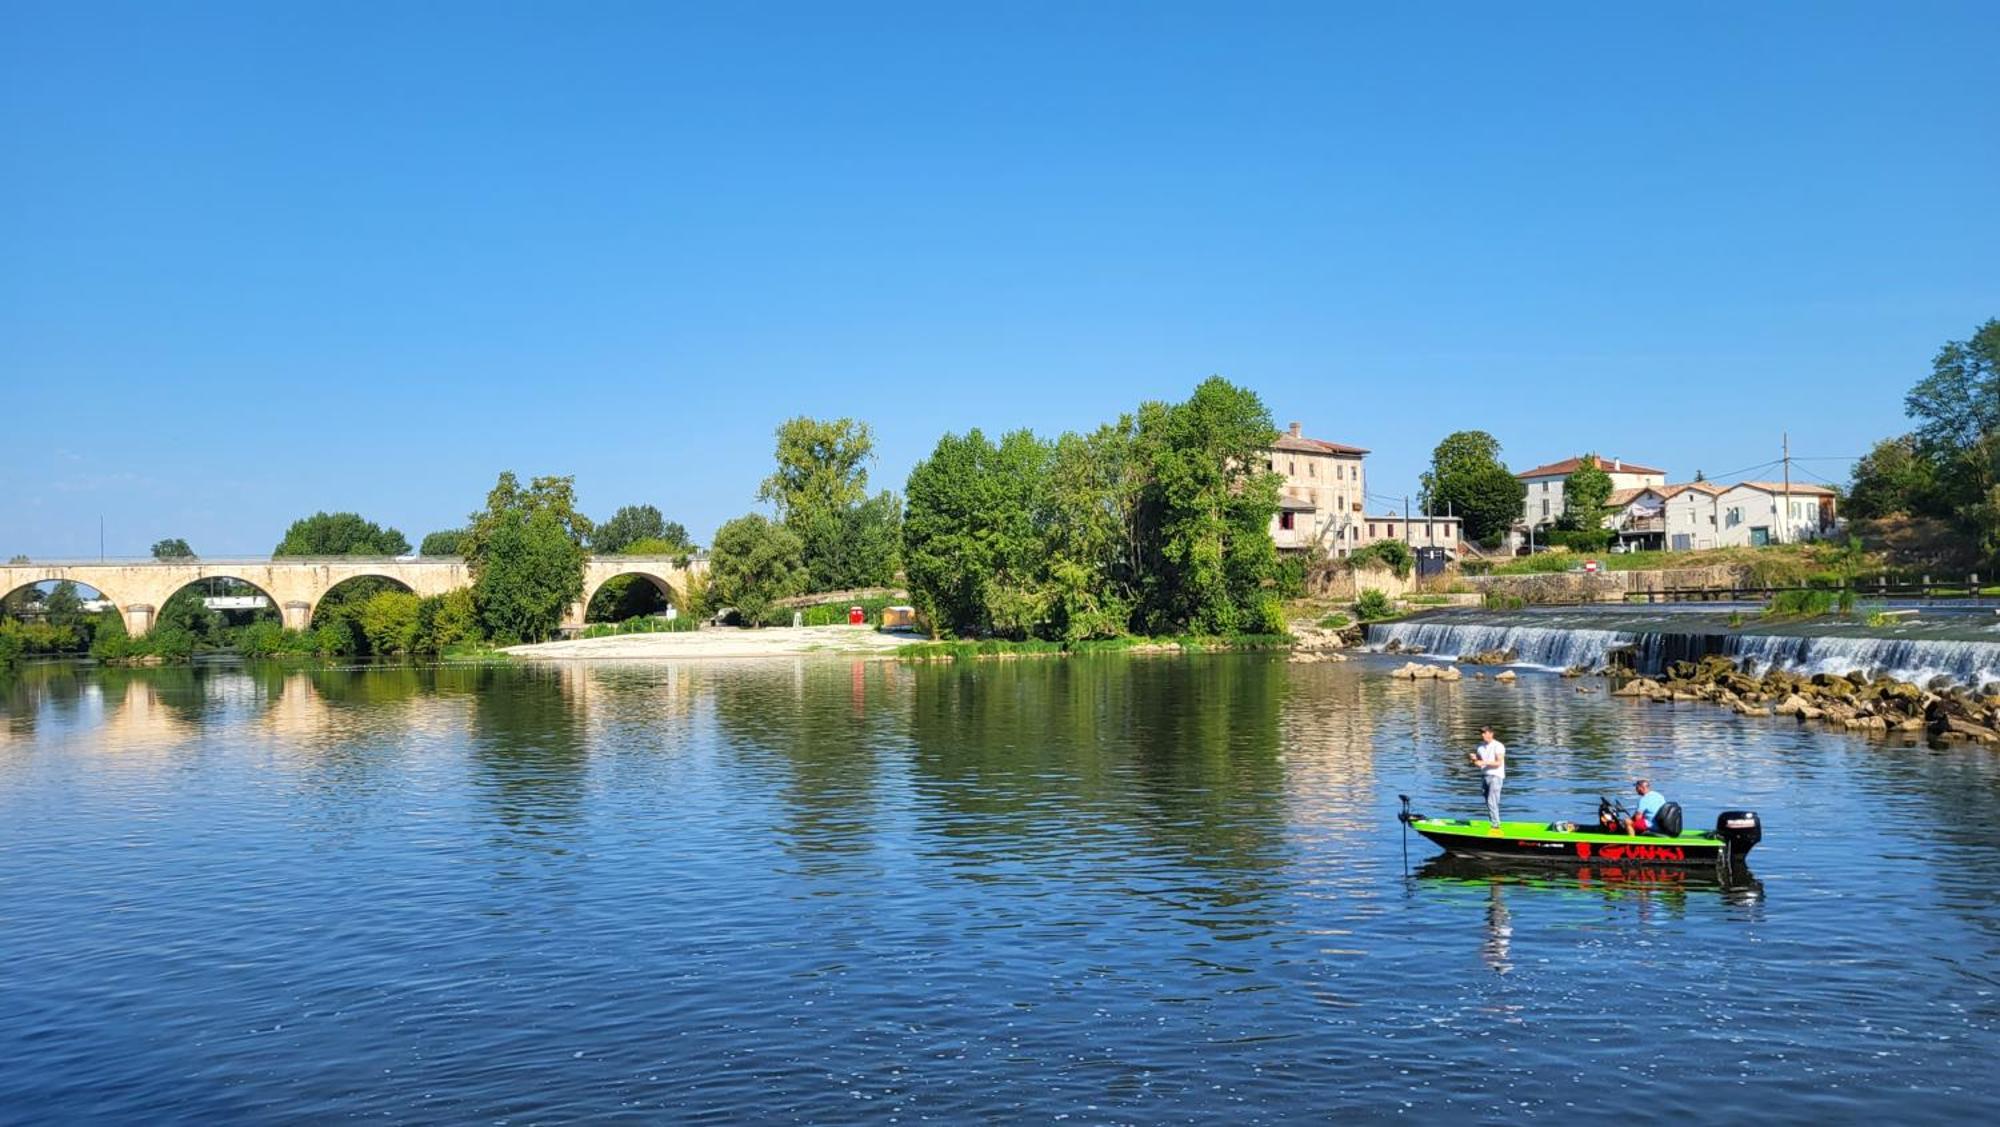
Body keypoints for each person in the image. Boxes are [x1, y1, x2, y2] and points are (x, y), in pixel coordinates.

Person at [1469, 726, 1506, 828]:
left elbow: (1498, 762)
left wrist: (1483, 762)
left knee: (1492, 800)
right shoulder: (1480, 747)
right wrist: (1474, 759)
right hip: (1484, 776)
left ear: (1491, 734)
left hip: (1496, 776)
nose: (1483, 735)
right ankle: (1493, 822)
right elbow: (1478, 761)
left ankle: (1496, 824)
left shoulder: (1498, 746)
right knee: (1488, 801)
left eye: (1485, 733)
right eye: (1482, 733)